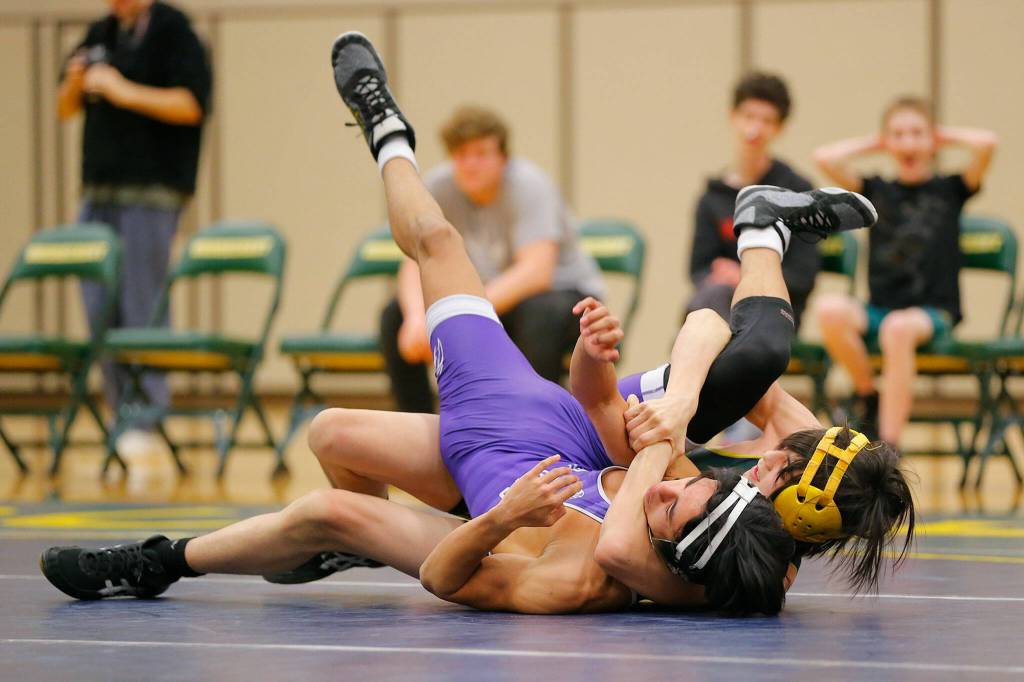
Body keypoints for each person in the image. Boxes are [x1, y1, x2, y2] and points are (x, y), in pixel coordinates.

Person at [39, 33, 886, 616]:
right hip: (541, 419)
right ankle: (390, 130)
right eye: (689, 484)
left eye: (667, 504)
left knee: (331, 466)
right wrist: (613, 378)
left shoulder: (601, 573)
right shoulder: (733, 516)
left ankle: (157, 558)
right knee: (757, 352)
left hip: (497, 473)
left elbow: (465, 578)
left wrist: (501, 519)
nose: (665, 483)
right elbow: (636, 411)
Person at [57, 0, 212, 455]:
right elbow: (65, 108)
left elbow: (191, 104)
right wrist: (73, 84)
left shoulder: (174, 30)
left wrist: (123, 90)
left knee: (143, 303)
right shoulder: (100, 32)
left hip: (153, 191)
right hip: (98, 191)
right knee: (98, 306)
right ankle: (118, 411)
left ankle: (147, 419)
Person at [381, 106, 605, 413]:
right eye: (461, 154)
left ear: (503, 156)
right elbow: (415, 260)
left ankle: (539, 423)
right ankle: (418, 428)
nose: (471, 164)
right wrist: (418, 318)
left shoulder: (529, 185)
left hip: (559, 294)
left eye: (482, 153)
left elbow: (535, 273)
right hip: (489, 297)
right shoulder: (438, 187)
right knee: (395, 316)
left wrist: (462, 314)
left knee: (538, 314)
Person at [812, 97, 997, 443]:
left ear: (933, 140)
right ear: (886, 141)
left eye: (917, 133)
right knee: (829, 310)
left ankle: (889, 445)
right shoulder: (876, 190)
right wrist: (878, 143)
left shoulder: (951, 189)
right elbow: (824, 158)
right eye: (898, 134)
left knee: (898, 329)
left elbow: (988, 144)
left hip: (933, 314)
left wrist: (942, 136)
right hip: (880, 310)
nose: (908, 142)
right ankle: (869, 394)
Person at [687, 72, 819, 328]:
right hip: (719, 303)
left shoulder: (797, 193)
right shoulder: (711, 198)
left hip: (777, 312)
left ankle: (693, 360)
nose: (754, 129)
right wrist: (723, 276)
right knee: (711, 299)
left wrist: (745, 278)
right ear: (732, 117)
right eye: (748, 116)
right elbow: (698, 270)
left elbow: (803, 277)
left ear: (779, 128)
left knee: (706, 321)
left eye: (766, 120)